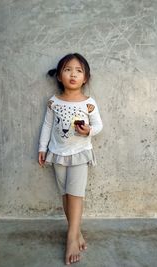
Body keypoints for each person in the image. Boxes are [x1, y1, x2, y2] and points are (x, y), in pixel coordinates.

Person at [38, 53, 103, 265]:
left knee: (76, 194)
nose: (73, 74)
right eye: (67, 70)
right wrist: (42, 148)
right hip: (57, 153)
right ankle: (76, 233)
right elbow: (47, 126)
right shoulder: (53, 102)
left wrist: (88, 131)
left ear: (85, 78)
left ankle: (70, 239)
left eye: (78, 70)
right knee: (66, 195)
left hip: (80, 153)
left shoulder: (89, 103)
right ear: (59, 76)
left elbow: (99, 125)